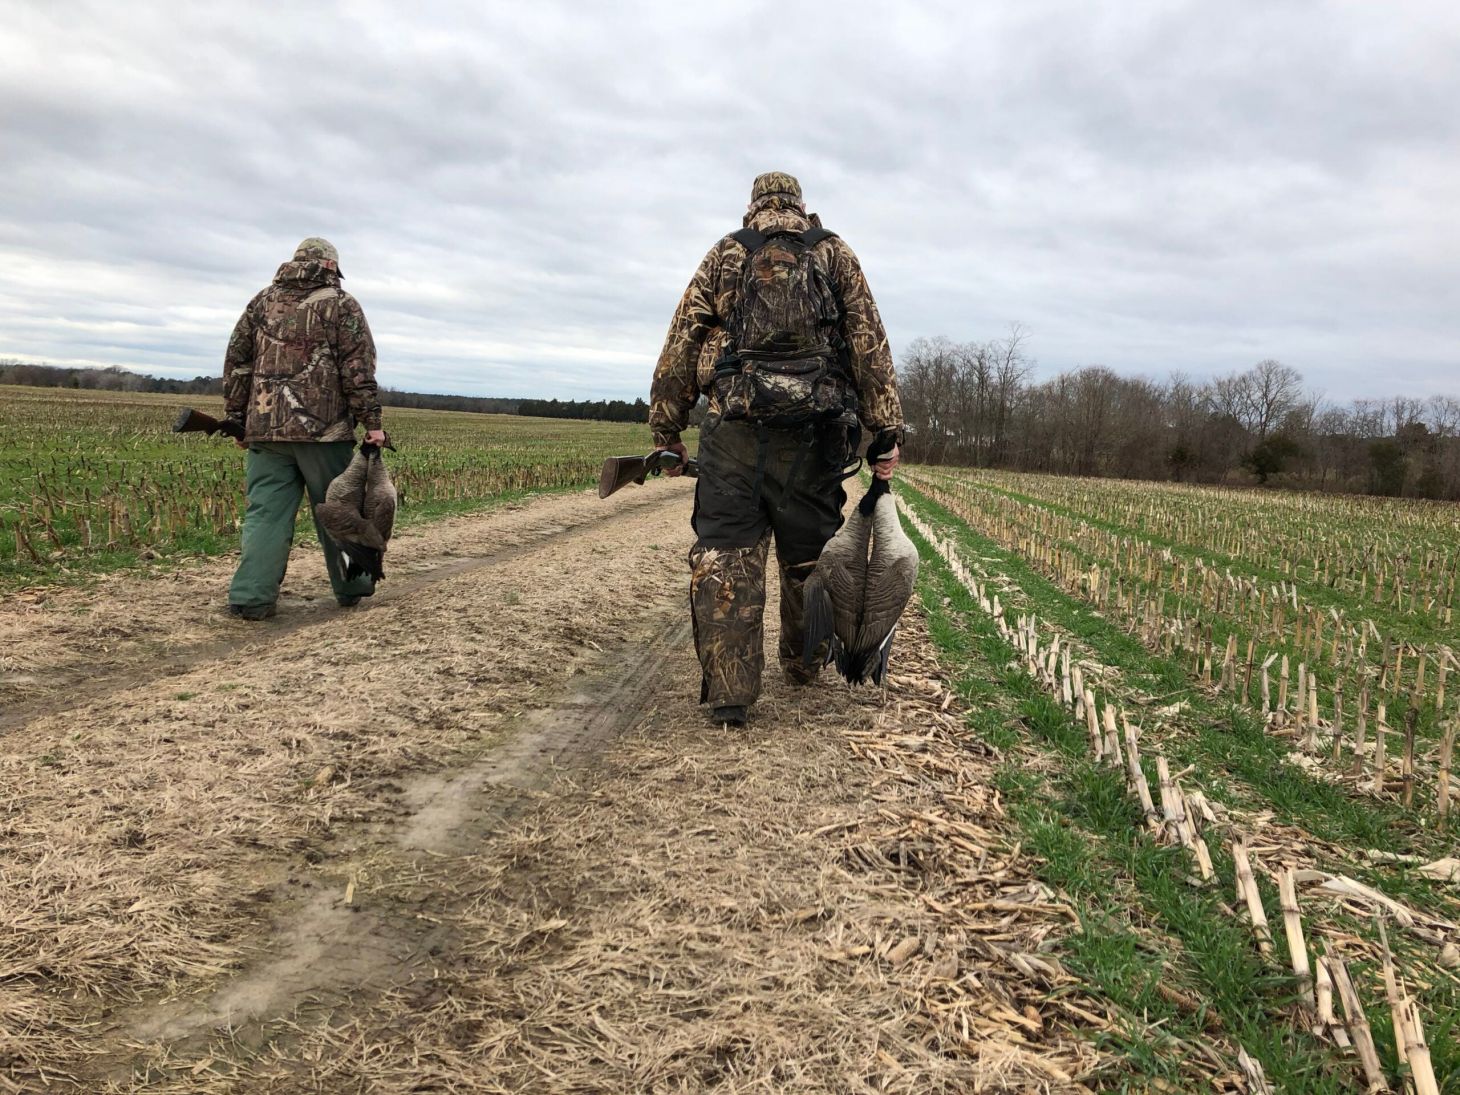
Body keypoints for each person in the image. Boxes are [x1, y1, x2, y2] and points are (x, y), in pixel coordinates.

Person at [649, 172, 904, 726]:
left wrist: (665, 430)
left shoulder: (725, 254)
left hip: (734, 435)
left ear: (752, 207)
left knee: (728, 555)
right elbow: (869, 344)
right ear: (801, 207)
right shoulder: (834, 254)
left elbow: (680, 346)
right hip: (814, 441)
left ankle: (731, 695)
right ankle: (804, 661)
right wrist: (886, 430)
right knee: (806, 557)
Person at [221, 237, 387, 619]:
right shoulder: (342, 304)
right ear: (331, 266)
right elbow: (357, 369)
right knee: (339, 510)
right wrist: (373, 424)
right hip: (324, 434)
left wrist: (237, 420)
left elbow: (236, 363)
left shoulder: (261, 301)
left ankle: (251, 598)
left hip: (265, 430)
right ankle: (352, 587)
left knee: (265, 514)